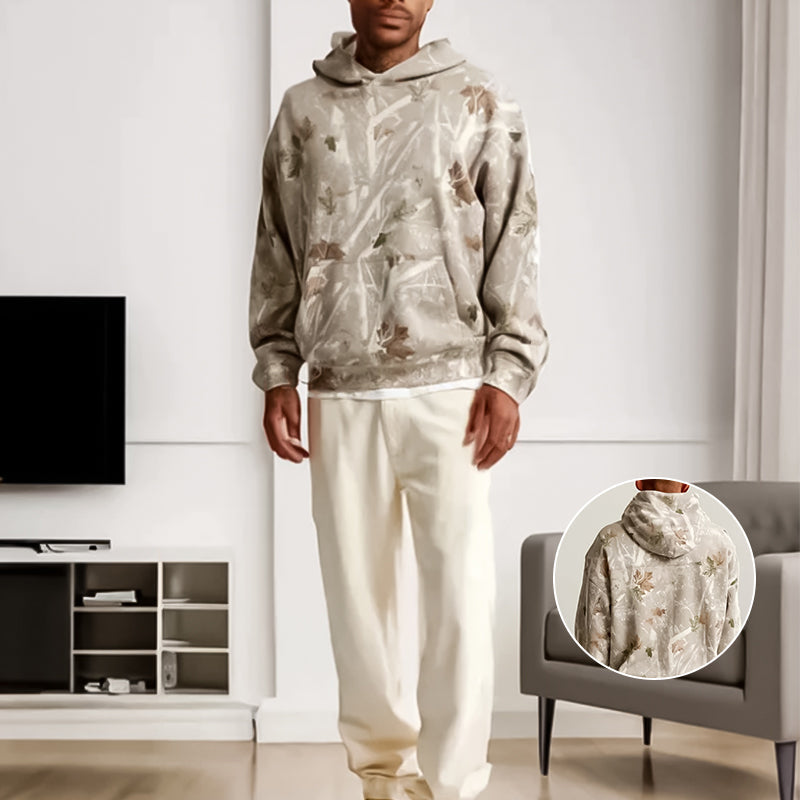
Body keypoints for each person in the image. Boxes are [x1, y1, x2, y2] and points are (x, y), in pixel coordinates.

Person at [248, 1, 548, 797]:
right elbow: (277, 244)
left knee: (460, 596)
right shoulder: (303, 108)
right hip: (339, 388)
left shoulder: (480, 97)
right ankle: (383, 779)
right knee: (357, 601)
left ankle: (453, 785)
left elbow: (515, 235)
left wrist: (508, 374)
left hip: (451, 387)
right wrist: (277, 370)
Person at [574, 479, 741, 679]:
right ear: (686, 486)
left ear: (638, 483)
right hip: (700, 684)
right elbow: (729, 636)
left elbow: (593, 637)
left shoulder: (609, 542)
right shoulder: (721, 543)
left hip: (628, 687)